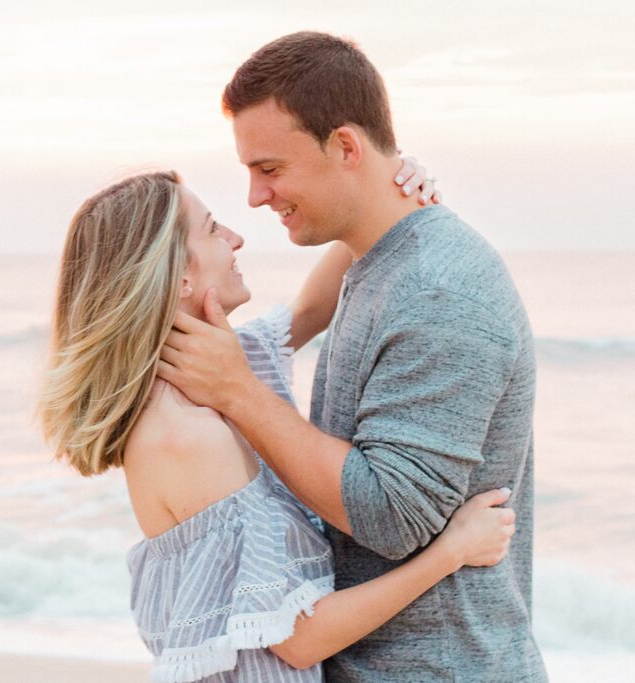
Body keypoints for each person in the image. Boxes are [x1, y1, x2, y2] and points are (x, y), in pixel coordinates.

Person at [157, 33, 547, 682]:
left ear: (344, 146)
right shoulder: (378, 262)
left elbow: (391, 515)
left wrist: (240, 392)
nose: (254, 197)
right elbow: (304, 315)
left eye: (270, 168)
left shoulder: (440, 290)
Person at [38, 170, 516, 682]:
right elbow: (300, 639)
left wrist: (386, 189)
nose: (236, 238)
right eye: (213, 228)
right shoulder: (185, 437)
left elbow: (311, 309)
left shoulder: (221, 371)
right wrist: (451, 552)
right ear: (179, 275)